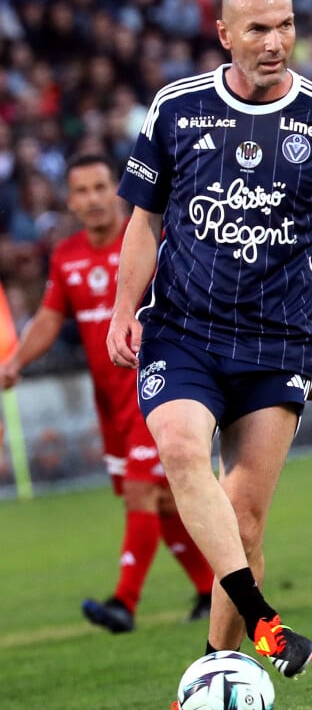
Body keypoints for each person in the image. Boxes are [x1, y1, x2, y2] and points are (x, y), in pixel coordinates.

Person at [106, 0, 312, 710]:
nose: (275, 42)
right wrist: (125, 307)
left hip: (278, 338)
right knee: (181, 449)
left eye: (285, 26)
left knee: (244, 514)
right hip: (182, 326)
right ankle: (263, 620)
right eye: (257, 29)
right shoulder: (176, 108)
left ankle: (202, 698)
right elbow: (145, 219)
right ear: (224, 34)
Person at [0, 152, 214, 633]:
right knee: (157, 500)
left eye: (101, 187)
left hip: (157, 385)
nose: (93, 199)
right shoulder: (67, 255)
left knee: (142, 490)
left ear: (116, 188)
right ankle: (208, 588)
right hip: (110, 401)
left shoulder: (147, 240)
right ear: (70, 201)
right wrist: (14, 362)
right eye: (82, 191)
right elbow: (51, 318)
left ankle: (124, 603)